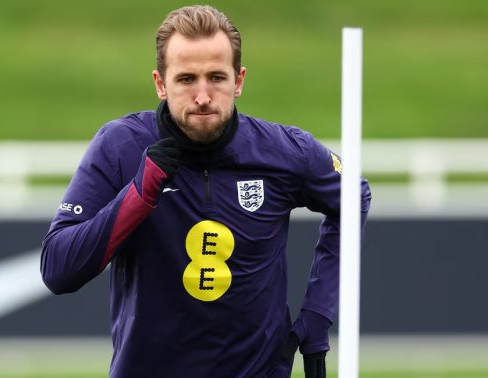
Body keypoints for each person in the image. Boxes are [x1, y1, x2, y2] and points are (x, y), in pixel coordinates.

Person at [40, 5, 371, 378]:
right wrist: (141, 190)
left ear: (239, 80)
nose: (202, 96)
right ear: (160, 84)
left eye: (216, 77)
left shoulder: (284, 151)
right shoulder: (121, 147)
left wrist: (318, 313)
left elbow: (354, 194)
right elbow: (58, 269)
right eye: (186, 79)